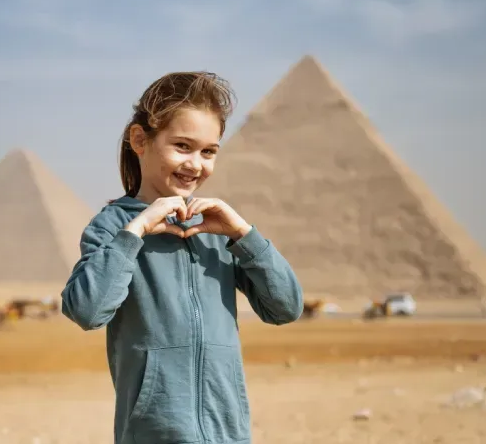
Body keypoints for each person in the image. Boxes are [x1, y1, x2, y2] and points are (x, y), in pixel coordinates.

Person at [60, 71, 303, 444]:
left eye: (209, 151)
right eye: (182, 146)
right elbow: (87, 311)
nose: (195, 164)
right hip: (155, 433)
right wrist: (135, 232)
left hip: (228, 432)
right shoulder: (113, 227)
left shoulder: (216, 230)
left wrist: (244, 235)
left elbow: (285, 307)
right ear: (140, 140)